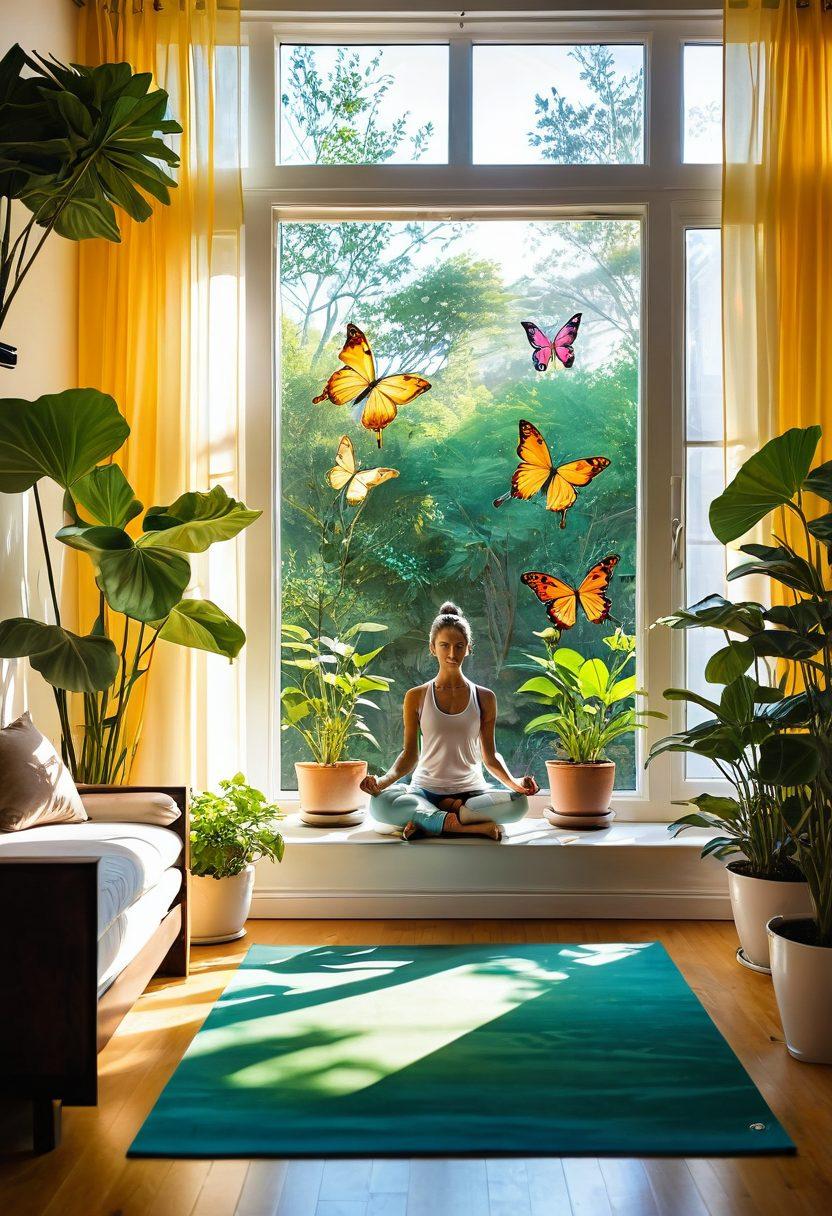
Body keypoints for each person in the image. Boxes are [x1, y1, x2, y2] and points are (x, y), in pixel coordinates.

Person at [361, 601, 539, 841]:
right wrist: (380, 783)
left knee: (519, 806)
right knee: (380, 805)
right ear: (433, 648)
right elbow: (409, 755)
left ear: (468, 648)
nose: (452, 654)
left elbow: (490, 756)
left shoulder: (485, 697)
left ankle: (431, 821)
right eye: (444, 646)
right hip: (424, 792)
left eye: (459, 646)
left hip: (472, 794)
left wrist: (516, 784)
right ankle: (465, 825)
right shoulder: (416, 696)